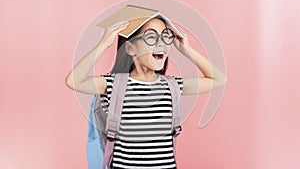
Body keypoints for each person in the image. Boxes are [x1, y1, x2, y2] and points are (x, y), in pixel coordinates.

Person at [65, 15, 227, 168]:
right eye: (151, 37)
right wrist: (103, 44)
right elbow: (74, 81)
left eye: (165, 36)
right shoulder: (114, 84)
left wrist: (187, 50)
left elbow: (218, 79)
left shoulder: (171, 86)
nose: (161, 43)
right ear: (130, 48)